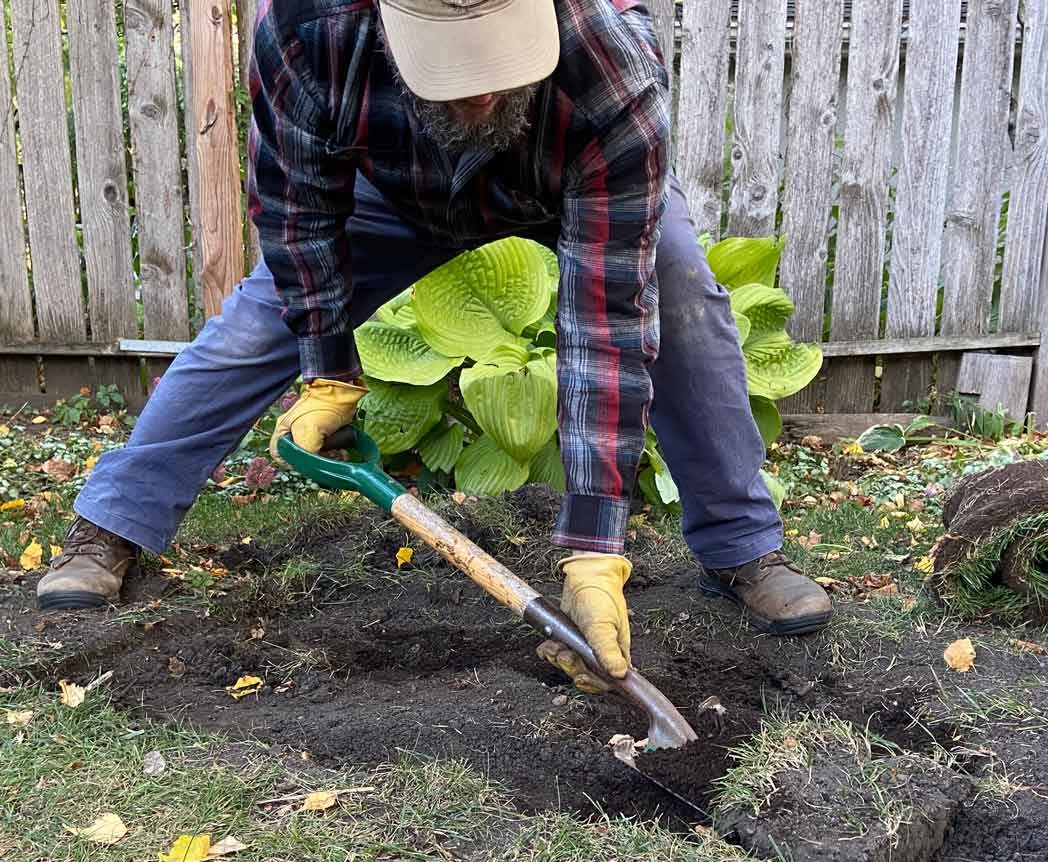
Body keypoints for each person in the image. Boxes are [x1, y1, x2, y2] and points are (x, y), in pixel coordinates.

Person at [37, 0, 831, 688]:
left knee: (684, 300)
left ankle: (741, 548)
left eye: (500, 59)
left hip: (564, 188)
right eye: (452, 66)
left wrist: (594, 550)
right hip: (387, 195)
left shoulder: (608, 58)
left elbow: (609, 320)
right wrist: (328, 372)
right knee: (255, 324)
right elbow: (297, 216)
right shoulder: (310, 30)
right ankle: (113, 525)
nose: (481, 91)